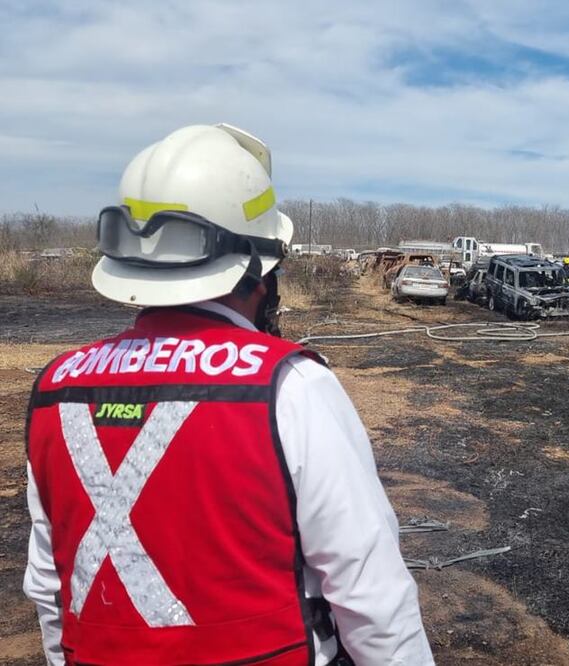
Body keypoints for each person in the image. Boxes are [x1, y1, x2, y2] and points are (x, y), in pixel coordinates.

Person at [22, 124, 434, 665]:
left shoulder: (56, 388)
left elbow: (50, 583)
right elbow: (370, 592)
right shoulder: (291, 386)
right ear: (259, 274)